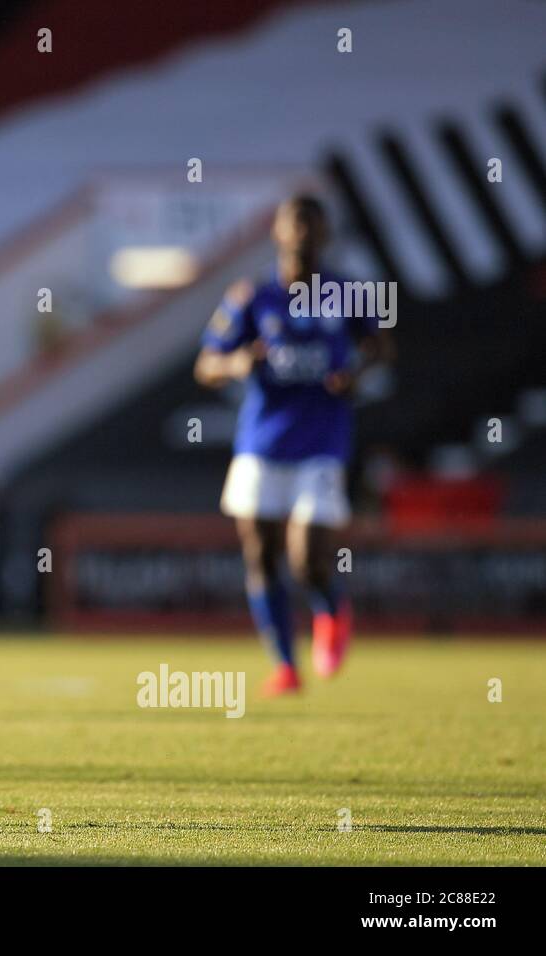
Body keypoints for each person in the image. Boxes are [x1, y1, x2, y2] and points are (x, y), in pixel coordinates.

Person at [194, 195, 392, 696]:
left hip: (322, 444)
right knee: (260, 554)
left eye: (312, 222)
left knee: (307, 558)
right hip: (261, 444)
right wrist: (236, 363)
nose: (302, 231)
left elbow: (382, 345)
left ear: (325, 234)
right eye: (294, 222)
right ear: (277, 233)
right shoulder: (252, 296)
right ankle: (285, 664)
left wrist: (358, 376)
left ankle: (331, 609)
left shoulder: (349, 294)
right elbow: (207, 364)